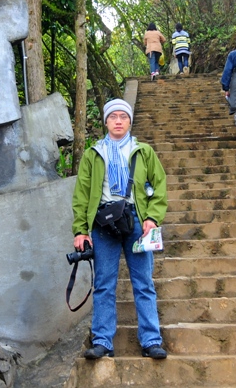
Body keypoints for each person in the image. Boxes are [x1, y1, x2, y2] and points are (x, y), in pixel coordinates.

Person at [71, 98, 168, 360]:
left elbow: (158, 185)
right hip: (104, 225)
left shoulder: (143, 151)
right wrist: (81, 230)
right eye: (113, 116)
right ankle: (102, 340)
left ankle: (151, 340)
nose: (118, 121)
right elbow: (81, 194)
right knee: (103, 284)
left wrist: (152, 218)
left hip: (136, 222)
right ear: (105, 121)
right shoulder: (94, 154)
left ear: (129, 121)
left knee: (144, 282)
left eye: (123, 117)